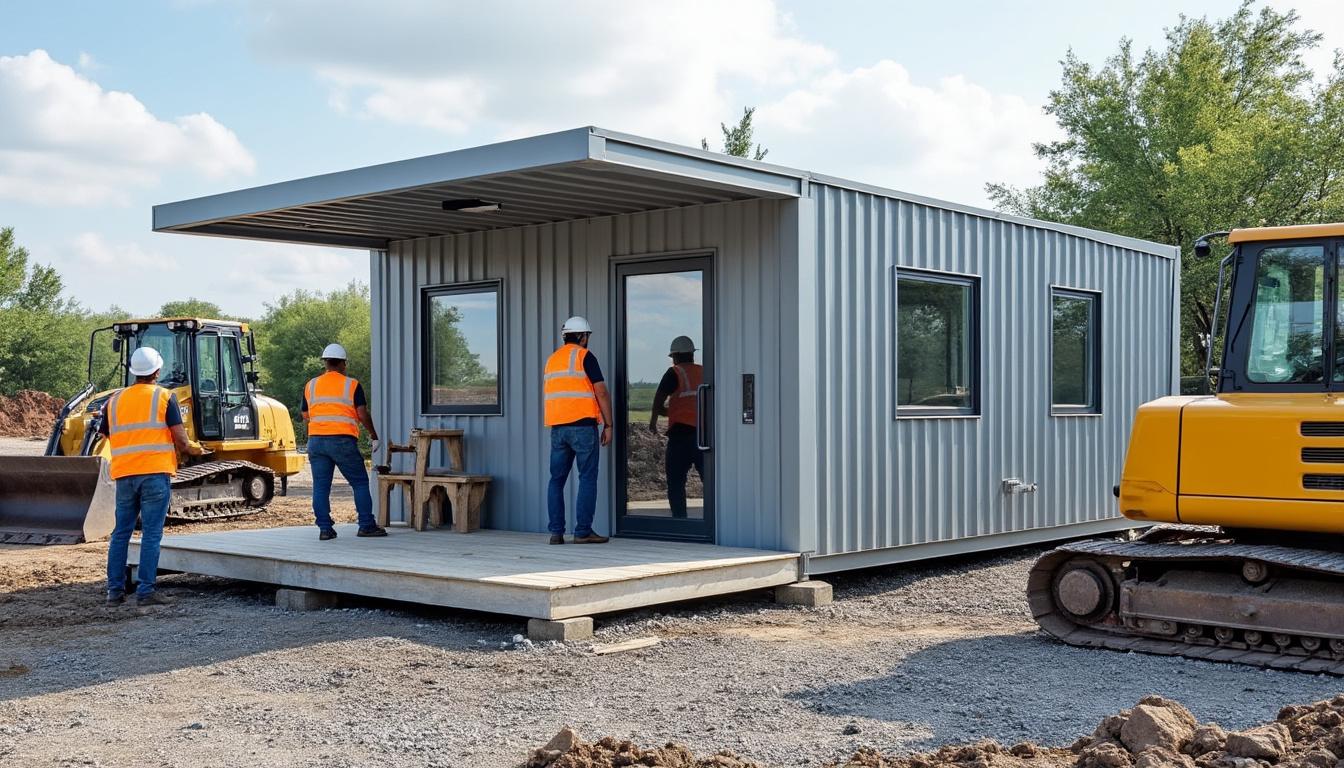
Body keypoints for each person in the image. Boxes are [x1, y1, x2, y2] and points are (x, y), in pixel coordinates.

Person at [103, 346, 206, 608]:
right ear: (157, 371)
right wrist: (196, 448)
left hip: (125, 474)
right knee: (151, 535)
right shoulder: (164, 397)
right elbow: (181, 441)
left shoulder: (113, 400)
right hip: (154, 474)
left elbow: (107, 435)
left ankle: (114, 592)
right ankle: (145, 592)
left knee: (120, 534)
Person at [301, 343, 384, 541]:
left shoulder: (311, 385)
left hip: (316, 442)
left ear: (325, 363)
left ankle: (325, 529)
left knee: (321, 486)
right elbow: (362, 414)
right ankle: (366, 525)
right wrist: (373, 434)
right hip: (342, 441)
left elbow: (305, 414)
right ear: (344, 364)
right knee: (360, 483)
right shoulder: (352, 385)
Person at [543, 316, 613, 544]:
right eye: (587, 336)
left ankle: (556, 533)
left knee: (556, 480)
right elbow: (601, 391)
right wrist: (609, 424)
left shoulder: (552, 360)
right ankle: (582, 532)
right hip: (583, 427)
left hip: (558, 428)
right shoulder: (585, 356)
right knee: (587, 478)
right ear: (583, 337)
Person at [648, 336, 704, 519]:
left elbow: (658, 399)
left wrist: (654, 420)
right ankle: (714, 519)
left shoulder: (675, 372)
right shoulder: (705, 371)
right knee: (710, 480)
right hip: (704, 436)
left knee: (676, 481)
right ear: (692, 354)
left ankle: (680, 520)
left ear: (676, 356)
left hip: (681, 436)